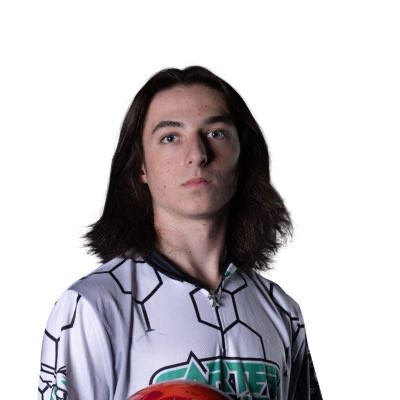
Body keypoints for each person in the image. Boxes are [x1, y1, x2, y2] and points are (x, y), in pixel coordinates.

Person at [37, 66, 323, 400]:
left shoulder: (281, 311)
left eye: (216, 133)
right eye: (170, 137)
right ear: (140, 165)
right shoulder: (91, 307)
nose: (198, 155)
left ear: (242, 156)